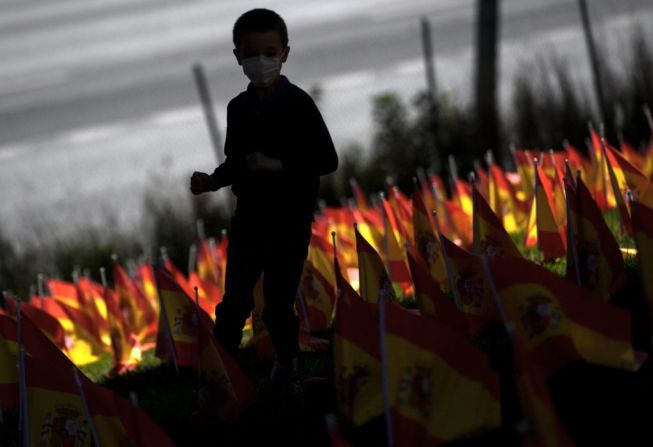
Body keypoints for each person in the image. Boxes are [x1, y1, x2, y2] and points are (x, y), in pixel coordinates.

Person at [190, 8, 338, 389]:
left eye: (269, 52)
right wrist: (213, 181)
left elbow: (326, 160)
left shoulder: (298, 104)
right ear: (237, 55)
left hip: (290, 221)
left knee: (276, 302)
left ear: (285, 53)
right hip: (249, 219)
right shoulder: (237, 109)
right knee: (234, 302)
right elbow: (236, 162)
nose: (261, 61)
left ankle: (287, 366)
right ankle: (220, 374)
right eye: (252, 52)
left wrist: (280, 164)